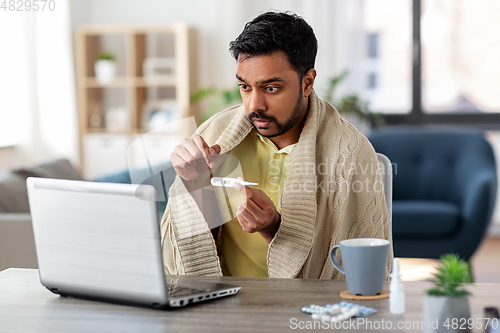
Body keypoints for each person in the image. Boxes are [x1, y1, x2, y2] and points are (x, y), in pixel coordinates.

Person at [160, 11, 390, 279]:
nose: (254, 105)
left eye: (270, 88)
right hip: (223, 308)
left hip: (300, 315)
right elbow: (194, 257)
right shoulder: (215, 134)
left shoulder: (350, 153)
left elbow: (360, 275)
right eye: (245, 87)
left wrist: (273, 229)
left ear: (307, 82)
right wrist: (193, 184)